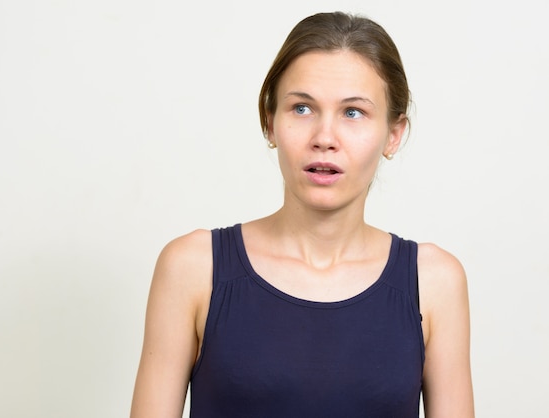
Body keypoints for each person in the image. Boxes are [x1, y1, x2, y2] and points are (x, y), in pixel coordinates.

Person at [130, 11, 474, 418]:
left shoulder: (434, 281)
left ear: (393, 134)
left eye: (353, 112)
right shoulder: (192, 268)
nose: (324, 139)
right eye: (302, 108)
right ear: (269, 122)